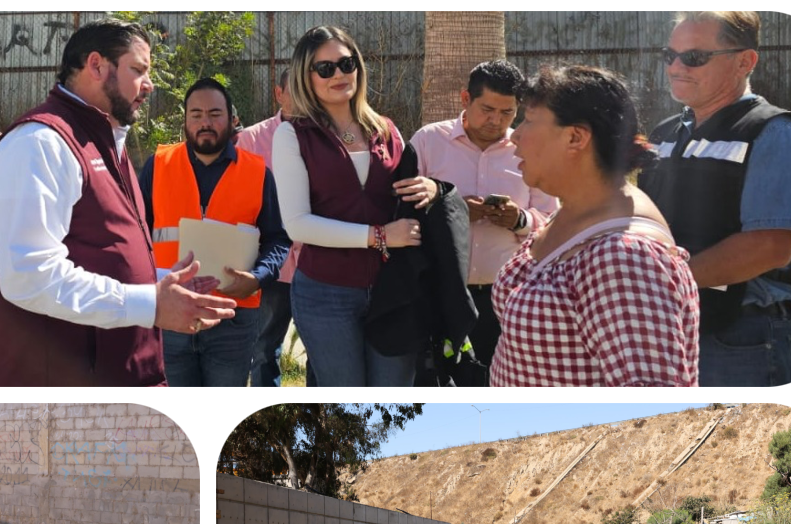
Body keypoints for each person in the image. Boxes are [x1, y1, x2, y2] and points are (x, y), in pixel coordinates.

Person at [0, 18, 235, 386]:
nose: (149, 85)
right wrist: (149, 303)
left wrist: (163, 281)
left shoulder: (105, 141)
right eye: (138, 70)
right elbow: (29, 276)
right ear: (97, 65)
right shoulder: (41, 143)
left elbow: (100, 254)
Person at [638, 11, 791, 386]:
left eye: (693, 57)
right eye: (668, 54)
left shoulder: (775, 134)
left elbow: (769, 247)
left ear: (744, 61)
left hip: (744, 336)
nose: (675, 67)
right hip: (675, 324)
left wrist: (666, 284)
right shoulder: (665, 133)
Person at [489, 66, 700, 387]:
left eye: (529, 121)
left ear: (575, 137)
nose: (514, 134)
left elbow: (651, 403)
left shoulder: (625, 258)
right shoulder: (574, 211)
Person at [272, 25, 437, 387]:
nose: (339, 74)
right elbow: (297, 224)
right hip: (325, 291)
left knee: (391, 398)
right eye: (325, 68)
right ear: (306, 75)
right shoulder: (292, 134)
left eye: (346, 64)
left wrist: (430, 188)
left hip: (392, 289)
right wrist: (378, 236)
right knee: (345, 403)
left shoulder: (387, 130)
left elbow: (403, 196)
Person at [409, 61, 558, 383]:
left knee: (500, 384)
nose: (497, 121)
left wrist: (519, 219)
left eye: (507, 113)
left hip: (506, 297)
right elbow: (402, 210)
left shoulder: (529, 148)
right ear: (465, 98)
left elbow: (553, 218)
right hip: (440, 293)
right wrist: (452, 211)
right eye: (487, 109)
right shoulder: (428, 142)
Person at [139, 78, 290, 386]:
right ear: (185, 120)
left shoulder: (257, 172)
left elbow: (277, 239)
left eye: (214, 114)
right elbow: (136, 231)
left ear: (232, 118)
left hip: (232, 317)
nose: (205, 122)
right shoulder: (158, 165)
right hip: (171, 316)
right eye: (195, 114)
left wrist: (258, 278)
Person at [235, 68, 313, 388]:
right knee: (266, 348)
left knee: (323, 351)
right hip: (273, 266)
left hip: (316, 263)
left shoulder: (327, 139)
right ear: (278, 94)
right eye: (295, 90)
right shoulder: (251, 140)